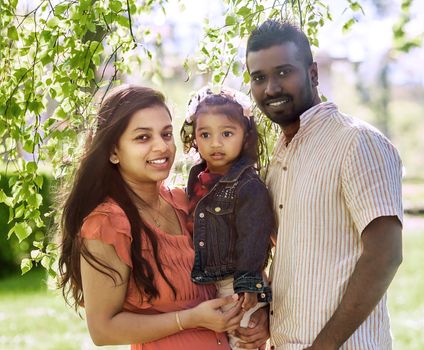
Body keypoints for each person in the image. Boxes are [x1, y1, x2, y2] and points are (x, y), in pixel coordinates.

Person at [58, 84, 268, 350]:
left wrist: (260, 316)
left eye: (166, 134)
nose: (162, 146)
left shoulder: (186, 202)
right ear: (113, 151)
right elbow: (102, 330)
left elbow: (235, 265)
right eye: (143, 138)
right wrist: (190, 319)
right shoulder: (107, 225)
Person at [244, 20, 403, 350]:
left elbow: (385, 255)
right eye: (259, 78)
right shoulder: (280, 156)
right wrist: (266, 317)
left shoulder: (357, 142)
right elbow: (293, 257)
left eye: (283, 72)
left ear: (313, 74)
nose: (270, 88)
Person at [180, 86, 275, 350]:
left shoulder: (248, 185)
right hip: (206, 281)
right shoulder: (197, 177)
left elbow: (253, 237)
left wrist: (248, 282)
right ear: (194, 138)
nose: (215, 143)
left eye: (227, 133)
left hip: (237, 285)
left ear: (245, 136)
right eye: (205, 134)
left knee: (242, 342)